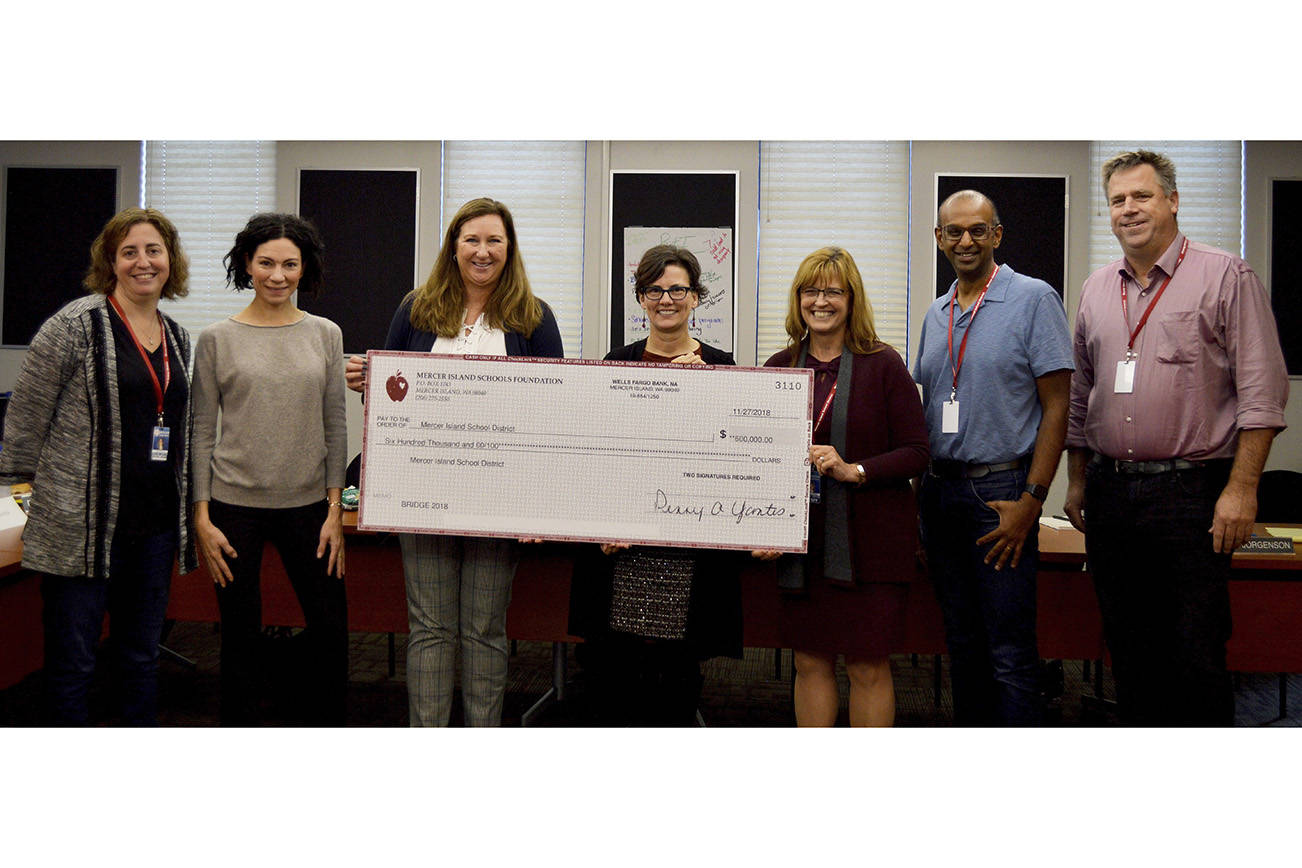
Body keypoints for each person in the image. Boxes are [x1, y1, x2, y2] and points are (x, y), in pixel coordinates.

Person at [1063, 150, 1289, 726]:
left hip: (1192, 494)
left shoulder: (1225, 276)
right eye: (1118, 200)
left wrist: (1241, 490)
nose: (1129, 209)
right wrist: (1078, 481)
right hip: (1112, 494)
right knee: (1129, 651)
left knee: (1195, 652)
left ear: (1173, 201)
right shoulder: (1095, 290)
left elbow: (1262, 396)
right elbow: (1082, 396)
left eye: (1142, 196)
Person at [345, 197, 563, 726]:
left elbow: (554, 409)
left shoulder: (532, 316)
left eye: (494, 240)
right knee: (430, 627)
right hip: (424, 494)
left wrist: (538, 503)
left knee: (484, 629)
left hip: (498, 498)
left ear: (509, 249)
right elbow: (392, 401)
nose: (482, 251)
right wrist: (369, 383)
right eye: (472, 240)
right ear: (454, 246)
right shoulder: (416, 308)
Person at [0, 207, 196, 725]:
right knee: (74, 665)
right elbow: (24, 420)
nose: (142, 262)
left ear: (170, 260)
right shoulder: (74, 326)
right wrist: (16, 504)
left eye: (153, 250)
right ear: (110, 261)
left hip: (152, 529)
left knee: (139, 658)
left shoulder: (176, 335)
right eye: (128, 251)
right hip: (79, 530)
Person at [913, 191, 1073, 726]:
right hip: (940, 493)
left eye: (977, 230)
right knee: (960, 642)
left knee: (1007, 650)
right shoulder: (936, 314)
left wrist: (1033, 497)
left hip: (1000, 495)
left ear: (997, 235)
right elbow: (930, 405)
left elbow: (1058, 407)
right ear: (939, 239)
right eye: (953, 232)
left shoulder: (1033, 299)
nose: (965, 241)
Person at [567, 244, 743, 725]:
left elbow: (732, 457)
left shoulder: (723, 368)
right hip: (622, 548)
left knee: (676, 675)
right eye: (655, 290)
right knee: (612, 672)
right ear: (641, 298)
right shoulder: (616, 362)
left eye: (678, 289)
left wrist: (707, 393)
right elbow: (598, 454)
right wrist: (601, 525)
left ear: (695, 297)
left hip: (684, 550)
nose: (667, 299)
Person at [754, 246, 929, 727]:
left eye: (833, 290)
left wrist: (857, 470)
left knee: (866, 663)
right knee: (809, 660)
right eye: (811, 290)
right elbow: (755, 459)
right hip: (802, 544)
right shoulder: (778, 367)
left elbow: (918, 450)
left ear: (852, 299)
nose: (821, 300)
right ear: (798, 299)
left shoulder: (883, 364)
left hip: (870, 543)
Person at [191, 213, 348, 726]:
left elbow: (334, 425)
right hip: (233, 508)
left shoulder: (325, 334)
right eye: (266, 263)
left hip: (309, 508)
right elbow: (200, 432)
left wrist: (334, 511)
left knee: (329, 625)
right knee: (239, 632)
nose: (277, 275)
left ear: (305, 269)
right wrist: (201, 516)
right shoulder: (216, 339)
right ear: (246, 265)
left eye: (289, 264)